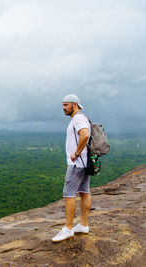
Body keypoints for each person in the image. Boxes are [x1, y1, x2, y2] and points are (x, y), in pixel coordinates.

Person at [52, 94, 91, 242]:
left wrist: (76, 153)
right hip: (84, 162)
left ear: (75, 104)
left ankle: (68, 229)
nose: (63, 108)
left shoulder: (78, 119)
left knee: (69, 194)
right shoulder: (83, 117)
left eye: (66, 105)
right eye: (63, 105)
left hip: (77, 163)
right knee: (84, 192)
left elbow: (85, 135)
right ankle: (83, 225)